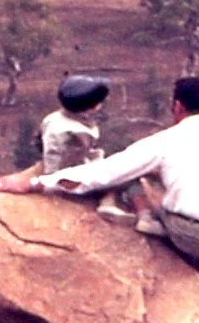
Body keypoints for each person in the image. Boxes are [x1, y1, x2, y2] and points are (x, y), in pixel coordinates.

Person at [0, 75, 199, 303]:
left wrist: (33, 183)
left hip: (195, 239)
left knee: (162, 209)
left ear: (178, 107)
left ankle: (184, 249)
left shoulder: (164, 141)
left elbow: (102, 174)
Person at [38, 74, 134, 223]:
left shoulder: (53, 118)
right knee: (121, 175)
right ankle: (107, 203)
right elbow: (77, 160)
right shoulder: (80, 131)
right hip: (65, 178)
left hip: (54, 167)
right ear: (94, 106)